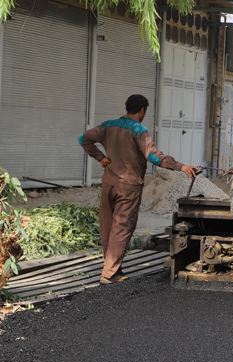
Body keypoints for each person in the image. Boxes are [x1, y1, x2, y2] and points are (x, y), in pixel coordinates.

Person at [80, 94, 197, 283]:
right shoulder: (139, 130)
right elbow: (154, 157)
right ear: (142, 111)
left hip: (108, 184)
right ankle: (109, 274)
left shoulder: (107, 125)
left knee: (107, 228)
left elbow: (83, 138)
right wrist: (180, 166)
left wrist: (101, 158)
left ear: (127, 107)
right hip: (129, 188)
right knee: (121, 228)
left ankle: (112, 270)